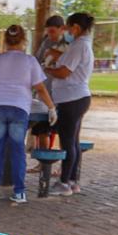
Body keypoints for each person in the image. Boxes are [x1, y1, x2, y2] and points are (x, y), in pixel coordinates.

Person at [0, 24, 57, 205]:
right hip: (19, 108)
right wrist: (51, 107)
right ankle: (19, 192)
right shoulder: (30, 61)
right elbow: (40, 87)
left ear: (5, 40)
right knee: (18, 151)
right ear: (24, 40)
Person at [44, 13, 95, 196]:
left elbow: (65, 72)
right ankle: (72, 180)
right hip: (76, 97)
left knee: (68, 142)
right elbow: (66, 60)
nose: (66, 31)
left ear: (76, 28)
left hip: (71, 98)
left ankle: (64, 182)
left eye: (68, 27)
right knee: (73, 141)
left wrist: (47, 70)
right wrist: (56, 55)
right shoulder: (80, 45)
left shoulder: (78, 46)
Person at [30, 15, 69, 158]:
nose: (50, 35)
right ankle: (42, 162)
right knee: (41, 130)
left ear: (62, 29)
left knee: (61, 131)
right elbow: (36, 60)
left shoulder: (69, 44)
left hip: (61, 93)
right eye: (48, 31)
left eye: (53, 31)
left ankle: (58, 165)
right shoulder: (46, 42)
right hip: (44, 92)